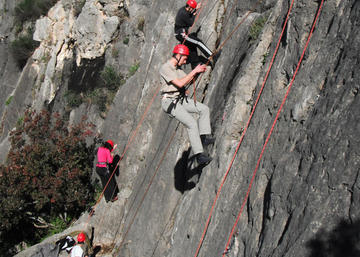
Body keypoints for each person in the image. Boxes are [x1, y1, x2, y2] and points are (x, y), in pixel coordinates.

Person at [160, 44, 215, 166]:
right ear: (178, 55)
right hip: (169, 102)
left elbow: (186, 80)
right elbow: (179, 83)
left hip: (179, 99)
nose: (185, 61)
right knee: (191, 123)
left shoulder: (178, 70)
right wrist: (194, 71)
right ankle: (199, 156)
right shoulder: (166, 68)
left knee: (204, 109)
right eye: (184, 58)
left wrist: (198, 71)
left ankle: (204, 138)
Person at [174, 0, 214, 68]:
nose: (192, 10)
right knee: (198, 42)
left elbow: (188, 14)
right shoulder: (183, 13)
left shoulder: (184, 9)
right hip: (181, 34)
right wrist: (194, 14)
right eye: (192, 8)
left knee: (192, 46)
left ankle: (195, 64)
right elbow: (191, 23)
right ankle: (212, 55)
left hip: (180, 33)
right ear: (190, 8)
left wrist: (195, 9)